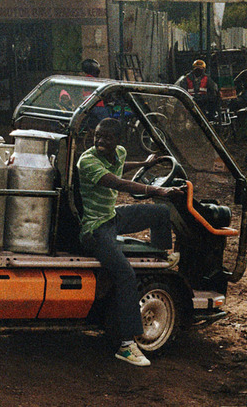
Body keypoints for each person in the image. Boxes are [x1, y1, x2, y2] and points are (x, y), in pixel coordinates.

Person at [77, 118, 183, 367]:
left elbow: (122, 166)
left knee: (160, 213)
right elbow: (118, 183)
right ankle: (126, 345)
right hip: (94, 228)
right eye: (98, 136)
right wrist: (159, 191)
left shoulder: (120, 153)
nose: (101, 141)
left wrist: (146, 164)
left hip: (112, 217)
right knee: (125, 273)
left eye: (107, 138)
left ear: (118, 141)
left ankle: (161, 257)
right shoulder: (88, 161)